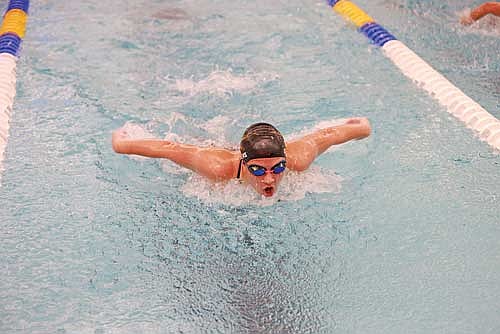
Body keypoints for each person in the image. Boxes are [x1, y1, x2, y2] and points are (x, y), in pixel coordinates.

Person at [112, 118, 371, 197]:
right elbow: (170, 148)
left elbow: (326, 134)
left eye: (278, 167)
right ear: (244, 163)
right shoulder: (217, 167)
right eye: (258, 170)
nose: (270, 177)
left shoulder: (297, 158)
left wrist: (361, 127)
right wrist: (122, 144)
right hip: (216, 150)